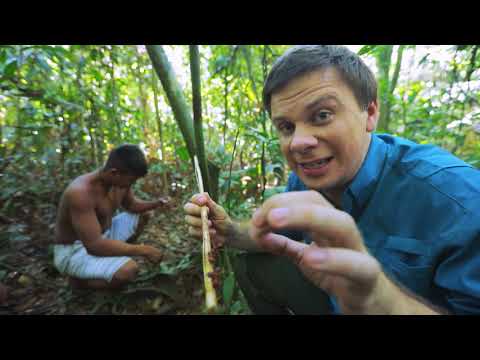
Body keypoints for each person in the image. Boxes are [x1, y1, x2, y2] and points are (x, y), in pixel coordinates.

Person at [184, 45, 480, 315]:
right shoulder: (309, 176)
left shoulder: (460, 202)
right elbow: (284, 238)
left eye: (322, 115)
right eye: (286, 126)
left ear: (370, 113)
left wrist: (380, 300)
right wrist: (230, 231)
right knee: (256, 265)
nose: (298, 142)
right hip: (329, 299)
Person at [54, 144, 168, 290]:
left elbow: (132, 205)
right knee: (128, 270)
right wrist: (144, 250)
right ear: (115, 173)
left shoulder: (118, 182)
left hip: (104, 235)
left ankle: (113, 258)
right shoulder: (81, 193)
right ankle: (79, 282)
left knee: (143, 215)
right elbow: (94, 246)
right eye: (131, 181)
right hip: (75, 250)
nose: (131, 185)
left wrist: (157, 203)